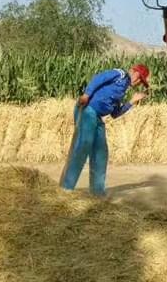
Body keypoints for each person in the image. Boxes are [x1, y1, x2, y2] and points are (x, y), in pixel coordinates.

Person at [60, 64, 150, 196]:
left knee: (101, 154)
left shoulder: (123, 91)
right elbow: (99, 78)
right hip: (88, 110)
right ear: (134, 73)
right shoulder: (120, 74)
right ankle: (65, 190)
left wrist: (131, 102)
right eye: (140, 79)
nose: (138, 83)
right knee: (82, 147)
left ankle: (97, 193)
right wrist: (86, 94)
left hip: (97, 118)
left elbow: (115, 114)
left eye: (141, 81)